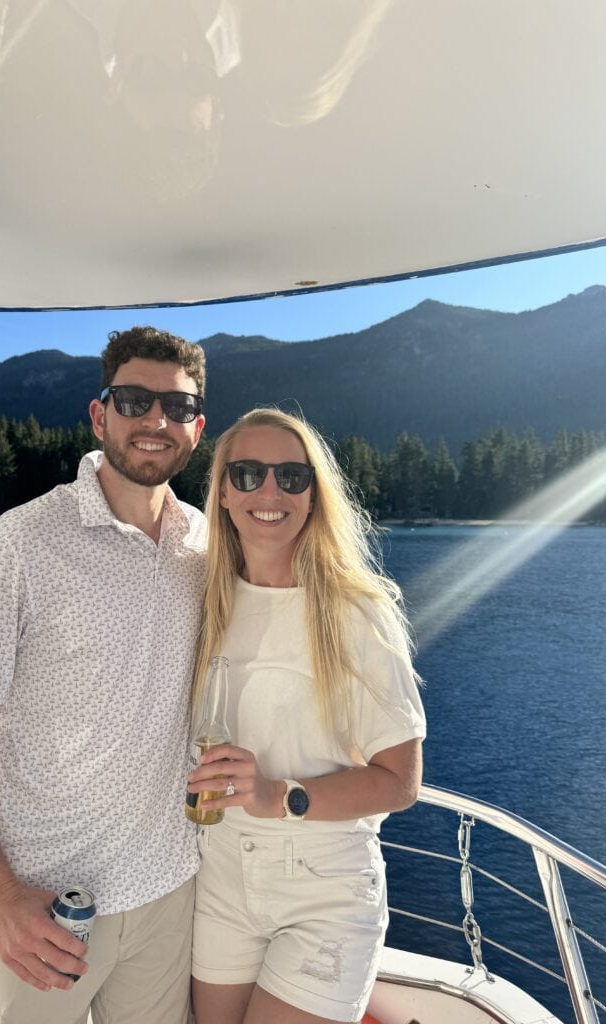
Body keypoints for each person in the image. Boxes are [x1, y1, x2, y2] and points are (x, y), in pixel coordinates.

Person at [0, 326, 207, 1024]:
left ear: (198, 426)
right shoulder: (22, 541)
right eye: (135, 400)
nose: (156, 421)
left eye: (177, 406)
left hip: (168, 889)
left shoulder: (204, 543)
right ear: (100, 413)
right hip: (41, 901)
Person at [187, 408, 426, 1024]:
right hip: (219, 874)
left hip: (323, 884)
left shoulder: (355, 613)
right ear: (221, 491)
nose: (270, 492)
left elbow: (400, 781)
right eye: (247, 473)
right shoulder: (203, 597)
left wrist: (278, 795)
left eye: (292, 476)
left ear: (315, 495)